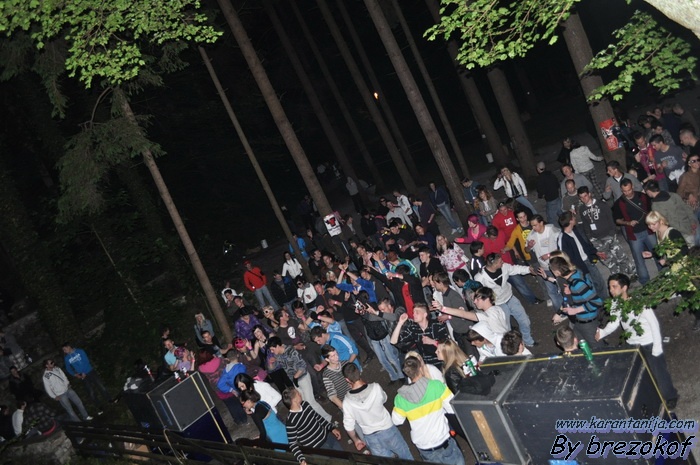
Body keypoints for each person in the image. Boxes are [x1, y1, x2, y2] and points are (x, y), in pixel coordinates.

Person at [596, 273, 678, 409]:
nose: (611, 290)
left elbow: (654, 325)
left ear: (624, 288)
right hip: (632, 344)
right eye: (610, 287)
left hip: (648, 343)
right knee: (640, 372)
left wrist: (657, 347)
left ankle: (670, 396)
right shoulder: (615, 304)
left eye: (614, 287)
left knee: (659, 372)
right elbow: (614, 322)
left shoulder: (639, 303)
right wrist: (603, 332)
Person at [392, 356, 465, 465]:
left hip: (424, 447)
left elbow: (397, 421)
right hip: (443, 442)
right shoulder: (436, 386)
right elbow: (452, 408)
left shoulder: (400, 398)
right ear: (420, 369)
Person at [342, 363, 413, 459]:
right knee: (406, 457)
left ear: (347, 379)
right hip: (388, 429)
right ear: (359, 372)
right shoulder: (375, 387)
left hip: (371, 437)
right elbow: (384, 399)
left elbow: (349, 427)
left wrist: (356, 440)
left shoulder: (347, 402)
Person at [475, 254, 537, 347]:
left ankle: (528, 340)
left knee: (525, 321)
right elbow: (479, 294)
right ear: (494, 264)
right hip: (498, 305)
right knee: (505, 328)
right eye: (500, 262)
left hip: (510, 298)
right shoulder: (480, 278)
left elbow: (515, 269)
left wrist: (528, 269)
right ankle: (512, 347)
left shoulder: (504, 267)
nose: (503, 262)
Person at [267, 337, 332, 422]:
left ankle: (327, 419)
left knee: (310, 402)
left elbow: (302, 365)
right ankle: (317, 419)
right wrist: (271, 362)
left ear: (278, 346)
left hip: (303, 378)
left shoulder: (291, 351)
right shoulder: (277, 355)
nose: (272, 352)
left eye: (272, 349)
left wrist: (295, 377)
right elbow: (272, 368)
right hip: (295, 381)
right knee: (304, 402)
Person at [577, 186, 636, 276]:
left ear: (589, 194)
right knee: (608, 260)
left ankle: (632, 273)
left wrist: (612, 233)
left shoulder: (601, 205)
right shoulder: (582, 209)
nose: (584, 199)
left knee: (620, 255)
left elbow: (610, 219)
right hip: (596, 239)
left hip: (608, 235)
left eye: (585, 196)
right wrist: (590, 238)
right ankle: (618, 277)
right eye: (581, 197)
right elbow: (585, 224)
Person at [547, 257, 604, 348]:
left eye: (552, 271)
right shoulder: (575, 273)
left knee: (599, 349)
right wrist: (570, 290)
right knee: (578, 345)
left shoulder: (577, 284)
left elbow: (597, 302)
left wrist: (575, 310)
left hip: (588, 323)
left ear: (557, 272)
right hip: (579, 322)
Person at [612, 179, 660, 284]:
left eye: (629, 190)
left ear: (632, 187)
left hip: (649, 230)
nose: (627, 193)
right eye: (624, 191)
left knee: (658, 253)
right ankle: (645, 282)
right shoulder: (619, 203)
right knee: (638, 259)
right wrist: (628, 223)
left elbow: (651, 210)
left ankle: (665, 273)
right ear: (621, 190)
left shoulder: (642, 196)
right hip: (634, 235)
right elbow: (617, 220)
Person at [283, 387, 343, 465]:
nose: (300, 394)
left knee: (344, 458)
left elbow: (317, 417)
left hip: (327, 437)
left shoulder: (305, 404)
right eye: (298, 393)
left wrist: (331, 428)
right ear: (294, 400)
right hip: (317, 449)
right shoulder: (291, 420)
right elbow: (292, 443)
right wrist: (301, 459)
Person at [557, 212, 608, 298]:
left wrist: (595, 252)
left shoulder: (575, 230)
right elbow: (565, 258)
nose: (575, 218)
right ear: (570, 221)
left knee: (600, 283)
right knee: (591, 288)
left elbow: (584, 244)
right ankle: (597, 304)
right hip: (579, 267)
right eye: (573, 217)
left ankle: (606, 302)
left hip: (588, 261)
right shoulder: (563, 238)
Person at [390, 303, 449, 367]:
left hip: (442, 362)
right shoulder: (414, 329)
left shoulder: (437, 326)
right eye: (413, 313)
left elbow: (448, 347)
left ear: (425, 314)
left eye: (417, 313)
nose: (414, 315)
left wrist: (433, 342)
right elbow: (393, 341)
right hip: (427, 366)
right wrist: (400, 323)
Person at [198, 350, 248, 424]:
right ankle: (244, 418)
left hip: (216, 388)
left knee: (229, 404)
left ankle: (238, 420)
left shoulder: (201, 368)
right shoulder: (219, 360)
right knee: (236, 401)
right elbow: (228, 364)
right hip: (227, 383)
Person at [644, 180, 698, 246]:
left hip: (681, 233)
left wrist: (688, 231)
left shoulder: (656, 206)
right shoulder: (673, 195)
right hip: (691, 225)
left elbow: (670, 222)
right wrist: (692, 222)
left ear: (648, 192)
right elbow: (686, 208)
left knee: (690, 251)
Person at [62, 343, 111, 415]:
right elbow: (68, 368)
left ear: (69, 347)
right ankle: (100, 407)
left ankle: (110, 400)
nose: (64, 351)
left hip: (90, 372)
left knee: (101, 386)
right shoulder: (67, 358)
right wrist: (75, 374)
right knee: (91, 392)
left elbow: (86, 361)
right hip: (83, 376)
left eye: (64, 349)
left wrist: (83, 372)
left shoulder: (80, 351)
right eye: (63, 350)